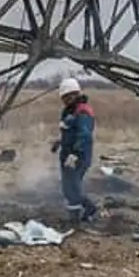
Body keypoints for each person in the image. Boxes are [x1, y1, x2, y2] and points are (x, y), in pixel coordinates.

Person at [53, 77, 97, 222]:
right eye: (64, 97)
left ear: (76, 94)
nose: (66, 100)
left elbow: (84, 135)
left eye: (68, 96)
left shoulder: (82, 112)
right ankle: (85, 210)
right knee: (68, 187)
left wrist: (75, 154)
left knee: (72, 187)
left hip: (78, 156)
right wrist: (60, 142)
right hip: (68, 154)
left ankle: (77, 218)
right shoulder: (69, 111)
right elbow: (70, 131)